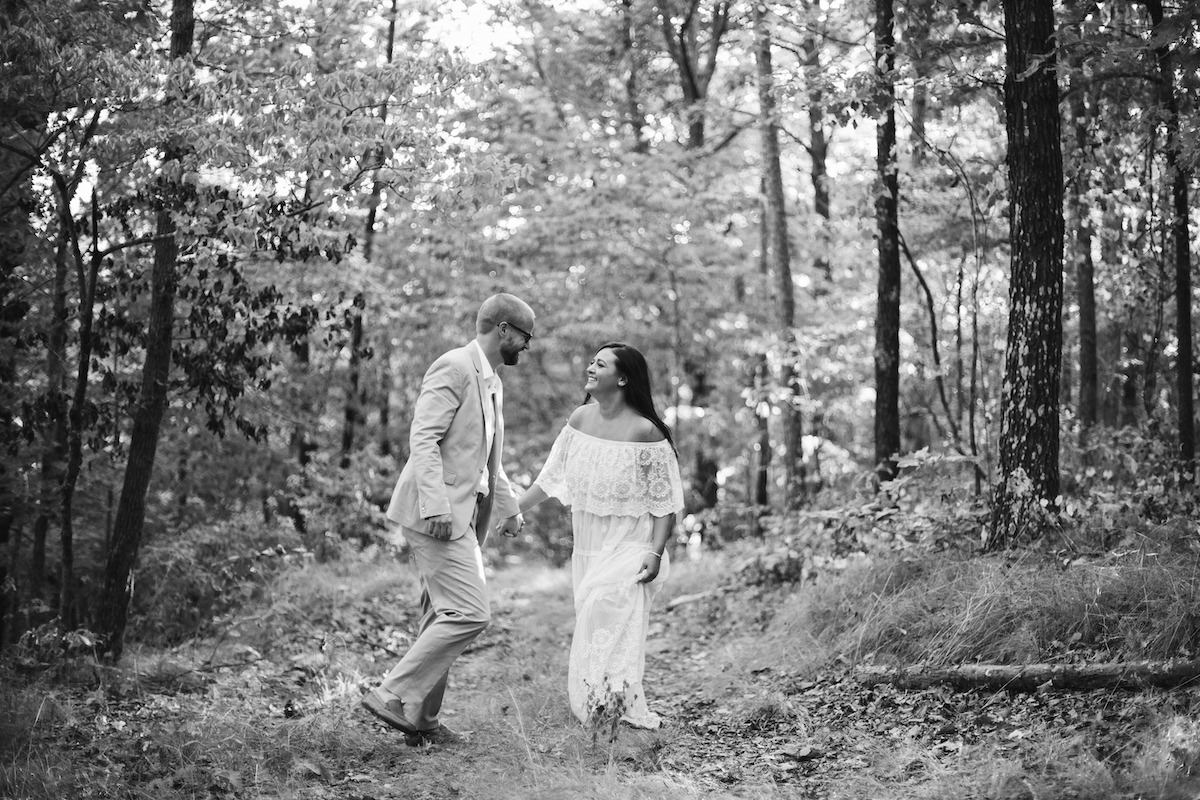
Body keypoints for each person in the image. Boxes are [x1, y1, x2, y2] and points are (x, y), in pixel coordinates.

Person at [361, 293, 534, 745]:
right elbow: (424, 439)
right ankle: (391, 693)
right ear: (503, 330)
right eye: (525, 336)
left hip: (467, 512)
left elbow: (485, 459)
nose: (527, 346)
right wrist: (435, 504)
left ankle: (423, 722)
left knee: (440, 614)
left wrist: (510, 505)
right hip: (436, 513)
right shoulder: (454, 366)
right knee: (471, 613)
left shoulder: (493, 380)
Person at [517, 342, 683, 729]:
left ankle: (609, 705)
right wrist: (513, 511)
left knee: (603, 613)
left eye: (601, 364)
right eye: (592, 361)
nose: (590, 368)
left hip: (633, 543)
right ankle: (603, 704)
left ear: (623, 378)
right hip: (590, 545)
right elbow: (550, 477)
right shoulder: (579, 419)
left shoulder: (647, 432)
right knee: (593, 624)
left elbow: (665, 504)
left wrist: (655, 554)